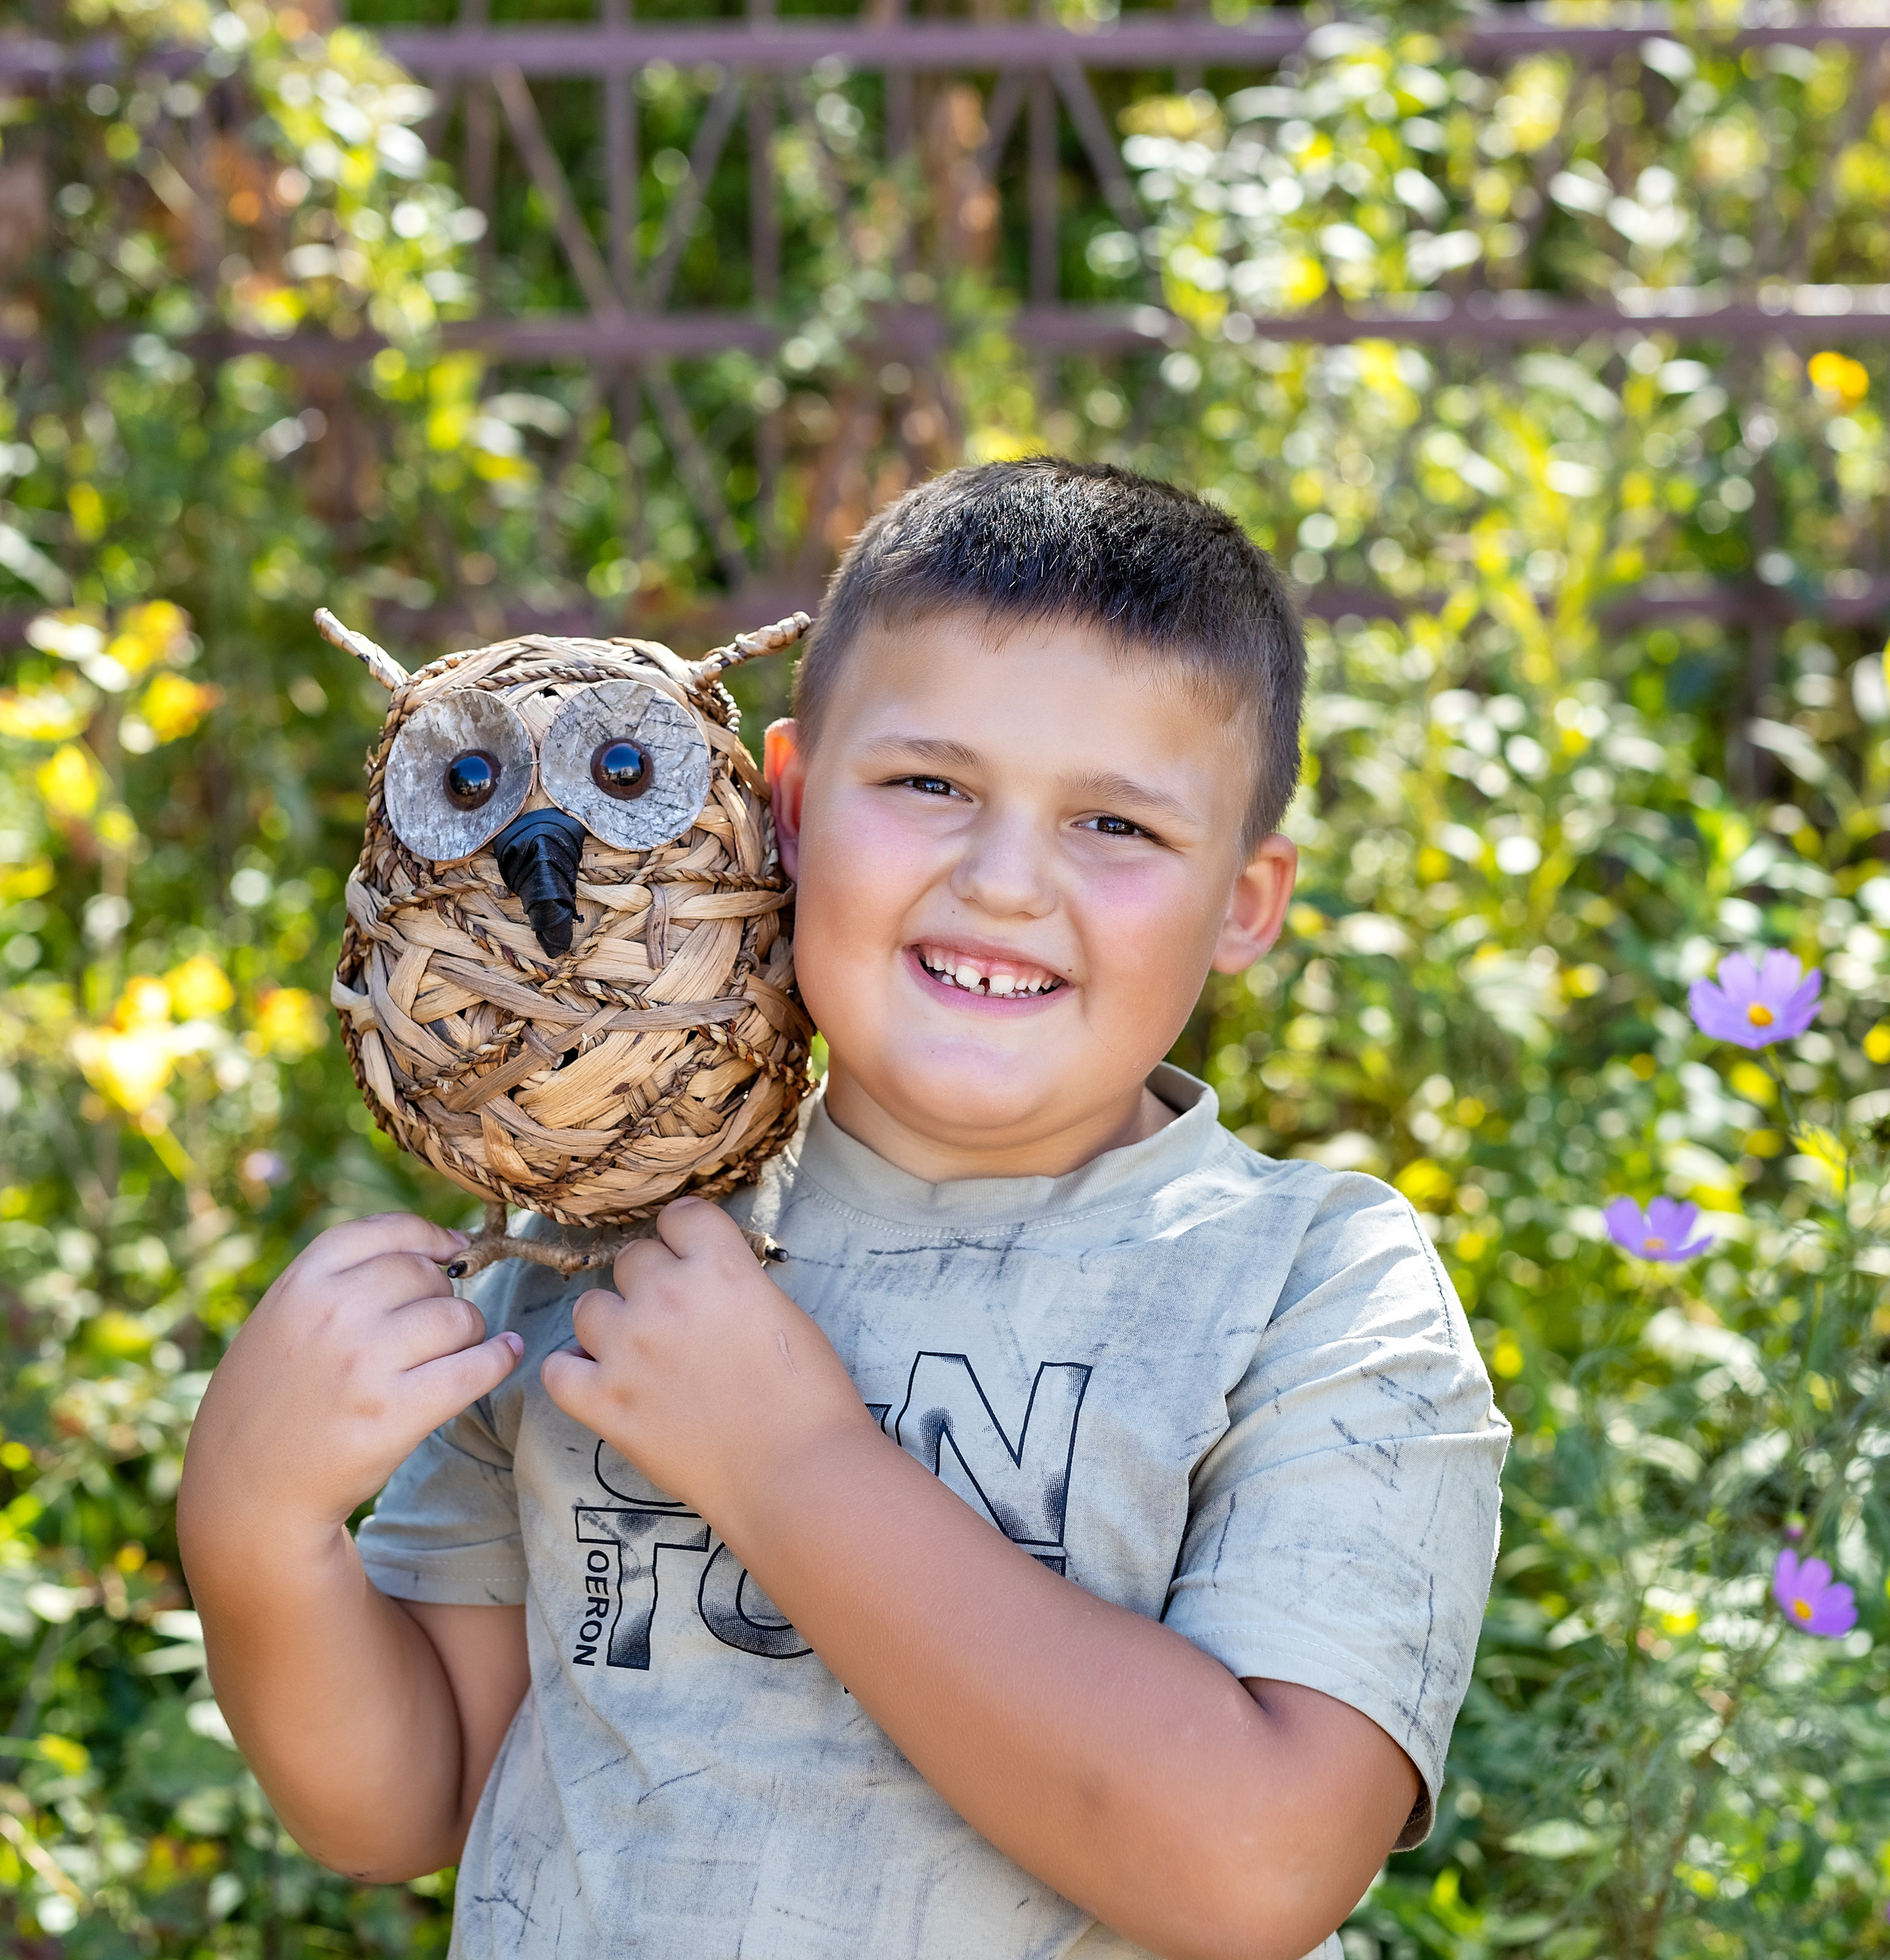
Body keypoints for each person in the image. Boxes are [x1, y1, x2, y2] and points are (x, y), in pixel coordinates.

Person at [178, 459, 1508, 1960]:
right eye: (930, 784)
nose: (1005, 879)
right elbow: (408, 1798)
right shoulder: (603, 1237)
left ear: (1245, 899)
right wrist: (253, 1526)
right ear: (791, 804)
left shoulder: (1305, 1284)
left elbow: (1255, 1865)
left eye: (1115, 826)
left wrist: (788, 1462)